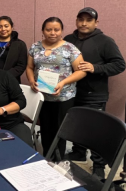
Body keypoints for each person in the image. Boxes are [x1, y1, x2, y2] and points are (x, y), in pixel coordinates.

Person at [64, 7, 126, 179]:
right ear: (76, 20)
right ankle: (78, 152)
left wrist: (95, 68)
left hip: (94, 94)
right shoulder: (68, 40)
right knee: (76, 124)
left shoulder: (105, 41)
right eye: (80, 19)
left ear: (96, 22)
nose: (84, 23)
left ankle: (99, 165)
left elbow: (120, 64)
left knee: (95, 130)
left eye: (88, 20)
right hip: (72, 92)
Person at [25, 17, 86, 159]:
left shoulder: (69, 48)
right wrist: (31, 80)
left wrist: (63, 83)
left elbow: (81, 71)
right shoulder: (35, 47)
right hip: (42, 96)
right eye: (49, 29)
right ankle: (47, 156)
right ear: (43, 31)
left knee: (59, 130)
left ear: (61, 31)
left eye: (56, 29)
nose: (53, 33)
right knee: (45, 128)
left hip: (63, 97)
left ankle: (57, 160)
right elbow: (29, 67)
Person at [0, 16, 28, 83]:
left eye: (6, 26)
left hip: (10, 80)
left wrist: (5, 76)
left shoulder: (20, 44)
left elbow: (21, 66)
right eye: (0, 27)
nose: (3, 29)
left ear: (12, 27)